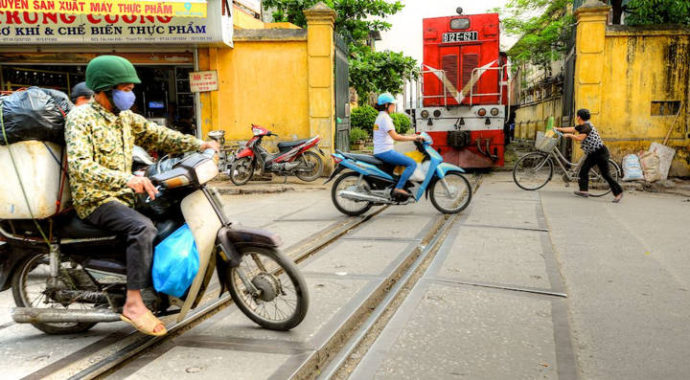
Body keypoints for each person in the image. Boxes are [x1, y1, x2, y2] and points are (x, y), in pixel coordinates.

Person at [65, 55, 219, 336]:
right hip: (96, 199)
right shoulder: (80, 118)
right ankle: (133, 303)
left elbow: (159, 135)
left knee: (169, 212)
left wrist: (201, 144)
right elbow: (80, 165)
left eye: (129, 88)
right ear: (103, 90)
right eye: (123, 89)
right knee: (142, 228)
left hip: (122, 194)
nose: (129, 94)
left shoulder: (123, 118)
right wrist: (128, 179)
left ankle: (154, 287)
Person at [555, 109, 623, 202]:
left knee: (606, 174)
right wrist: (558, 129)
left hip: (600, 153)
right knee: (583, 170)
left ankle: (618, 193)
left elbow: (579, 138)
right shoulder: (583, 125)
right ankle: (584, 191)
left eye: (577, 115)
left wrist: (569, 136)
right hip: (592, 153)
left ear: (579, 117)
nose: (576, 117)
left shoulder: (586, 127)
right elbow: (572, 129)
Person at [372, 93, 423, 198]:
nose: (394, 107)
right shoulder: (385, 118)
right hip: (385, 152)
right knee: (411, 163)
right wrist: (414, 138)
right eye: (392, 104)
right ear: (386, 105)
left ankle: (395, 186)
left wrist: (411, 135)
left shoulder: (381, 117)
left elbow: (395, 135)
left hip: (381, 150)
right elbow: (396, 137)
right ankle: (398, 188)